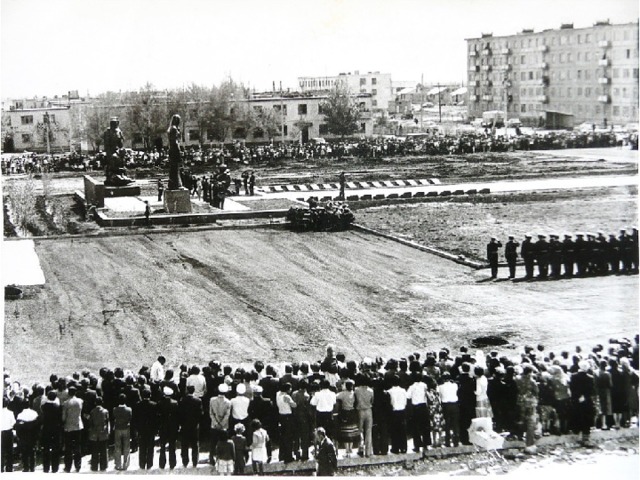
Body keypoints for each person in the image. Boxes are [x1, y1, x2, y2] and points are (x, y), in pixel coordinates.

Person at [179, 385, 203, 468]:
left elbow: (180, 413)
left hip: (185, 425)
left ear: (187, 390)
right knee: (195, 445)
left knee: (184, 444)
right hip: (194, 426)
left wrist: (181, 423)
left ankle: (185, 461)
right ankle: (195, 462)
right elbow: (200, 414)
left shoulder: (182, 400)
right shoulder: (198, 400)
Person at [134, 388, 158, 470]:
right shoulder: (154, 405)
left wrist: (137, 428)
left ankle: (142, 464)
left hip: (141, 429)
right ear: (150, 395)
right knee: (150, 447)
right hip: (151, 429)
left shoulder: (138, 405)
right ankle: (149, 464)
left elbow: (135, 418)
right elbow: (156, 419)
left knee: (142, 447)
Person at [62, 386, 84, 473]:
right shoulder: (80, 401)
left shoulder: (66, 403)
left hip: (68, 427)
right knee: (77, 447)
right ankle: (78, 466)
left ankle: (68, 467)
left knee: (68, 448)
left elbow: (64, 417)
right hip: (78, 425)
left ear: (68, 393)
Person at [40, 390, 62, 473]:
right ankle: (55, 468)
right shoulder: (58, 407)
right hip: (56, 429)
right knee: (55, 448)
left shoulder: (43, 406)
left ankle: (46, 468)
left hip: (46, 429)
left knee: (46, 448)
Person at [209, 383, 231, 466]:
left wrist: (216, 423)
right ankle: (222, 458)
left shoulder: (212, 400)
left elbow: (211, 413)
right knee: (223, 442)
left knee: (213, 443)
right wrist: (221, 424)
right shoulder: (228, 402)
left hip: (214, 425)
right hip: (224, 426)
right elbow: (227, 415)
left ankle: (211, 458)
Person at [158, 386, 179, 470]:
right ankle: (172, 463)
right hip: (172, 427)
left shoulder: (160, 403)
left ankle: (162, 463)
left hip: (163, 426)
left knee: (162, 446)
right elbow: (177, 416)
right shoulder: (175, 403)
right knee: (172, 446)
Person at [354, 374, 374, 458]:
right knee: (369, 430)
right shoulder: (371, 391)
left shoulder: (356, 390)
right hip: (368, 410)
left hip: (360, 410)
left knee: (360, 430)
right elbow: (372, 401)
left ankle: (360, 449)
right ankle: (368, 451)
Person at [276, 382, 297, 462]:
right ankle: (288, 456)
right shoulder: (286, 396)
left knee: (283, 436)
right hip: (288, 416)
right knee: (288, 437)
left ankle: (281, 455)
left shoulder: (278, 394)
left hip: (281, 415)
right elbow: (294, 405)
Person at [88, 397, 109, 472]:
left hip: (94, 433)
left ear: (95, 403)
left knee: (94, 450)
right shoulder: (105, 411)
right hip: (103, 432)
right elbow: (107, 422)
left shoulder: (92, 411)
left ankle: (94, 466)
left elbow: (90, 423)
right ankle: (103, 466)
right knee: (103, 450)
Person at [113, 393, 132, 471]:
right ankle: (125, 464)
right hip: (126, 428)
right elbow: (130, 418)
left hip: (118, 428)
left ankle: (118, 464)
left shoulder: (115, 409)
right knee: (126, 446)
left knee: (117, 446)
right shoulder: (129, 409)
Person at [167, 114, 183, 190]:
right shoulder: (173, 129)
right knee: (175, 168)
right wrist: (179, 150)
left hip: (172, 149)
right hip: (174, 149)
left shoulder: (172, 128)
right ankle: (175, 184)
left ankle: (174, 183)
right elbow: (175, 141)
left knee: (174, 168)